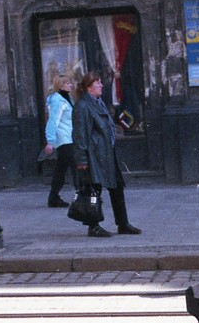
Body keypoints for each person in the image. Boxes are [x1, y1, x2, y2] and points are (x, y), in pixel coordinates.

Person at [72, 71, 141, 238]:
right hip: (94, 155)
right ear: (89, 87)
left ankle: (123, 223)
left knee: (117, 187)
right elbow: (79, 135)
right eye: (98, 83)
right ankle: (93, 225)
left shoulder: (99, 102)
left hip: (107, 153)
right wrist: (82, 159)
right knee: (93, 191)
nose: (101, 85)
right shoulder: (82, 106)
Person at [43, 75, 75, 208]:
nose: (71, 85)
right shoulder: (58, 100)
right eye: (67, 83)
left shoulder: (67, 98)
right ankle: (81, 196)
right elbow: (53, 120)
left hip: (68, 137)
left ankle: (54, 196)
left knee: (61, 168)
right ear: (61, 85)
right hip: (64, 138)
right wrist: (50, 141)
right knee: (75, 166)